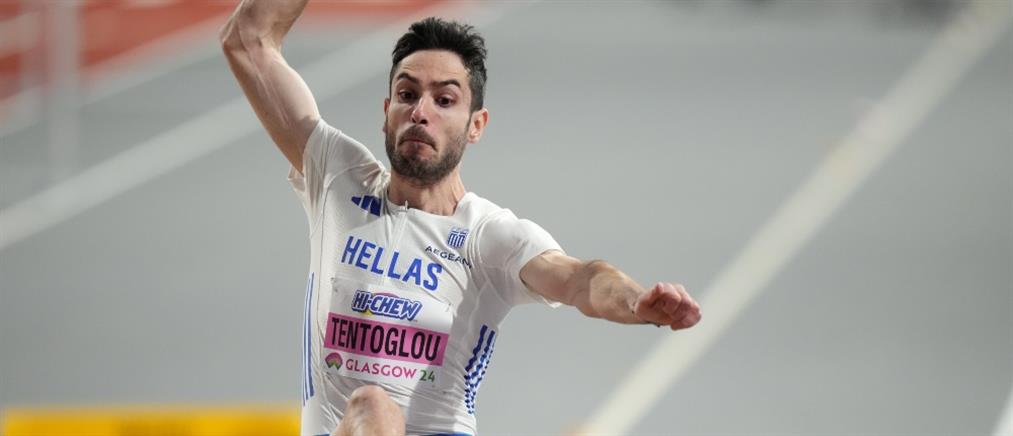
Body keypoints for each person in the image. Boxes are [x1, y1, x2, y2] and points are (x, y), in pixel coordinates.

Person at [220, 1, 702, 435]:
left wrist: (636, 300)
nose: (420, 112)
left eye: (444, 100)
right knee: (372, 408)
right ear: (386, 112)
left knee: (374, 407)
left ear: (476, 126)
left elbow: (581, 279)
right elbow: (247, 39)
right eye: (406, 94)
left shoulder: (487, 235)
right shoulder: (338, 179)